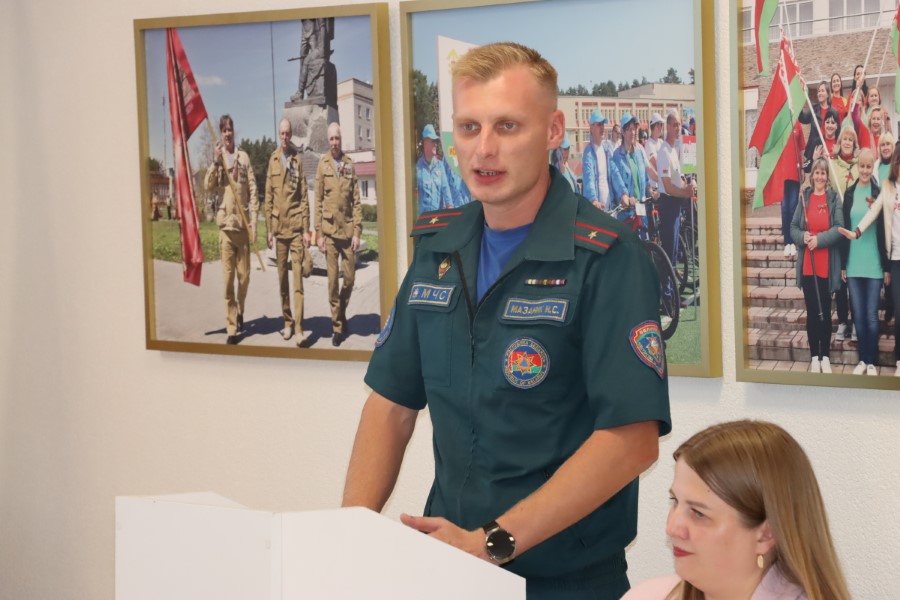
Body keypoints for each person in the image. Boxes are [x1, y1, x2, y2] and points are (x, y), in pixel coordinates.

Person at [342, 42, 670, 600]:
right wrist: (348, 535)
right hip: (449, 568)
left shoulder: (606, 257)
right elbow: (390, 406)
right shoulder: (437, 249)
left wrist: (492, 543)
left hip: (564, 582)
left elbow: (631, 441)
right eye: (469, 127)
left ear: (553, 131)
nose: (484, 149)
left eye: (507, 126)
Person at [623, 420, 852, 600]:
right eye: (675, 501)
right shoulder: (648, 595)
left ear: (766, 534)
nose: (672, 528)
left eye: (699, 513)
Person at [840, 144, 900, 377]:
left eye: (868, 166)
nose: (865, 170)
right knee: (858, 315)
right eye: (862, 166)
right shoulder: (849, 193)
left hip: (874, 263)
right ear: (857, 166)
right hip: (854, 263)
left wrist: (885, 267)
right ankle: (862, 360)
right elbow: (851, 227)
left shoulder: (879, 190)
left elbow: (884, 229)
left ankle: (872, 361)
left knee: (872, 316)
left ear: (872, 167)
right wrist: (844, 263)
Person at [204, 114, 258, 345]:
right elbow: (208, 186)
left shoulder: (243, 157)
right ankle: (232, 327)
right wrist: (215, 162)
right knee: (228, 282)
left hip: (243, 228)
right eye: (224, 130)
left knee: (244, 278)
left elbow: (253, 189)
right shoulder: (219, 159)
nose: (227, 134)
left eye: (230, 130)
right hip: (226, 227)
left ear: (234, 132)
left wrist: (254, 221)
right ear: (221, 133)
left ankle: (241, 309)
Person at [791, 157, 845, 374]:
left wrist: (819, 240)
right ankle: (815, 356)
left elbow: (839, 228)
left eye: (823, 173)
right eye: (817, 173)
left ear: (827, 176)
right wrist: (803, 236)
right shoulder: (804, 198)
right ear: (812, 175)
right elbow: (793, 227)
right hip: (808, 266)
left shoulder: (833, 198)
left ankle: (826, 357)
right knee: (812, 312)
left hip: (826, 265)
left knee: (826, 312)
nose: (820, 177)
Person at [265, 118, 311, 346]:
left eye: (287, 133)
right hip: (279, 230)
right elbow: (268, 197)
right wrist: (269, 230)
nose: (284, 137)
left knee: (298, 281)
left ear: (291, 135)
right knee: (282, 280)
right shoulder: (273, 160)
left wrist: (306, 230)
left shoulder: (297, 160)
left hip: (295, 229)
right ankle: (287, 321)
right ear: (279, 135)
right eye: (281, 133)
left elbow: (304, 197)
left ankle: (300, 328)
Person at [315, 122, 362, 347]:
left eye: (337, 138)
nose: (335, 142)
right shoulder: (322, 164)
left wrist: (357, 232)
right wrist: (318, 234)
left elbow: (357, 201)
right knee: (333, 282)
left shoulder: (349, 164)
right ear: (328, 140)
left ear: (341, 140)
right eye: (332, 139)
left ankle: (341, 312)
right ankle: (337, 326)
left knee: (350, 280)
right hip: (330, 233)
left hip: (348, 231)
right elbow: (318, 200)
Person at [657, 110, 698, 271]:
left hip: (676, 203)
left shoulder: (674, 150)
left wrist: (689, 187)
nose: (677, 128)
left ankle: (671, 283)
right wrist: (685, 192)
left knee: (674, 248)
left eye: (679, 124)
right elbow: (667, 186)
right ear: (667, 126)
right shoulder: (664, 152)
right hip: (668, 202)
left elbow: (678, 178)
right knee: (669, 250)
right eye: (674, 125)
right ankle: (666, 285)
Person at [609, 113, 658, 224]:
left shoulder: (639, 153)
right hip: (627, 215)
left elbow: (645, 180)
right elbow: (617, 181)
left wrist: (650, 191)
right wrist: (625, 196)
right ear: (623, 132)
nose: (633, 132)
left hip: (641, 212)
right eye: (629, 129)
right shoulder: (617, 156)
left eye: (634, 129)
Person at [416, 124, 456, 213]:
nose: (435, 144)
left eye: (436, 141)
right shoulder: (418, 168)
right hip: (424, 217)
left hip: (438, 217)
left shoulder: (440, 166)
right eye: (432, 141)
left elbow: (446, 189)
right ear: (425, 143)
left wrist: (450, 206)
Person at [581, 109, 613, 210]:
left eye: (603, 124)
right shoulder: (588, 152)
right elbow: (589, 178)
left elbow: (615, 174)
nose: (602, 127)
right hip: (596, 209)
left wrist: (623, 193)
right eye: (599, 124)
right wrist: (593, 199)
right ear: (591, 128)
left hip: (610, 209)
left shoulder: (606, 149)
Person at [645, 112, 665, 182]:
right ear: (656, 126)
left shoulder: (661, 142)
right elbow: (656, 165)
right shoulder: (649, 144)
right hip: (655, 185)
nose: (662, 127)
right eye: (661, 124)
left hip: (662, 182)